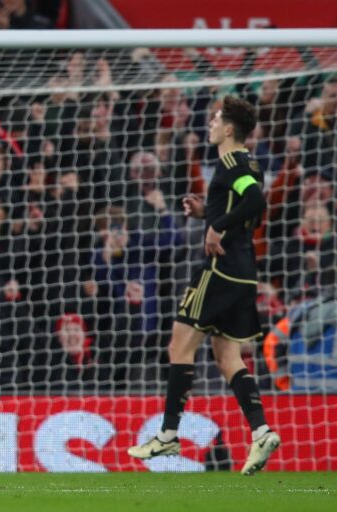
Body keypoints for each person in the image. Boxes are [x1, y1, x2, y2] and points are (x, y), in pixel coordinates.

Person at [128, 96, 280, 475]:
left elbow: (256, 201)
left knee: (180, 343)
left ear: (229, 129)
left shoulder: (232, 161)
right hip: (244, 272)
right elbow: (246, 202)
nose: (210, 123)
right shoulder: (246, 163)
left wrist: (216, 225)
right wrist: (206, 213)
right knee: (228, 357)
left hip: (220, 269)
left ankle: (167, 434)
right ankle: (261, 431)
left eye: (215, 119)